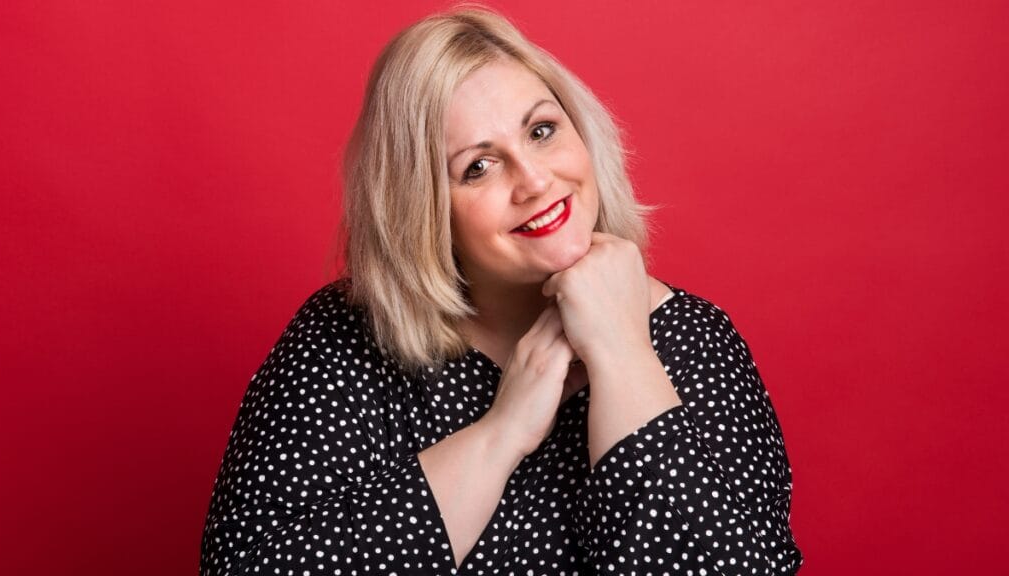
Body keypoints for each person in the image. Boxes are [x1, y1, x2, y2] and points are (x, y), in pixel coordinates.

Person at [200, 6, 803, 575]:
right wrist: (503, 431)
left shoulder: (696, 340)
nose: (536, 181)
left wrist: (623, 353)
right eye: (478, 167)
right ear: (423, 212)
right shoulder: (345, 340)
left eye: (542, 130)